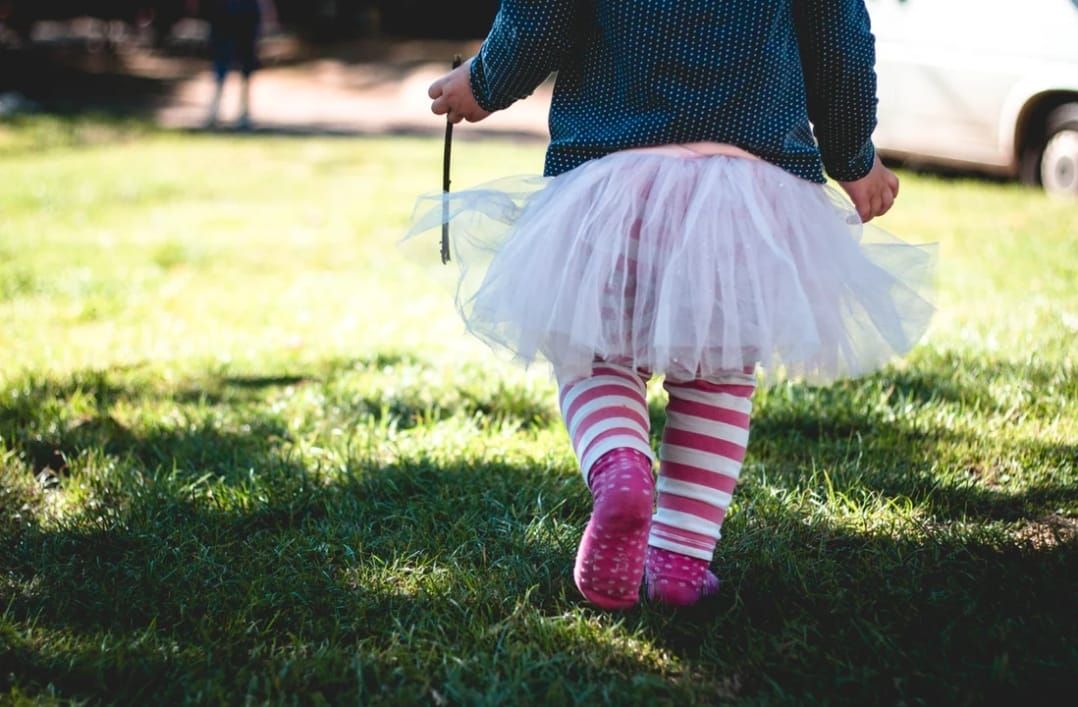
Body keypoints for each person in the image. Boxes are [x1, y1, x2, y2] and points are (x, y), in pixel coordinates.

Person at [411, 0, 935, 609]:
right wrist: (853, 155)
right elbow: (837, 38)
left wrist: (483, 82)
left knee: (596, 356)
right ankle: (680, 562)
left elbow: (543, 15)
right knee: (718, 378)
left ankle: (621, 467)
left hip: (614, 178)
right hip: (747, 191)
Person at [202, 0, 276, 129]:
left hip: (236, 11)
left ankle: (227, 111)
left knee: (236, 61)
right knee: (233, 61)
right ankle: (229, 111)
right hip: (232, 11)